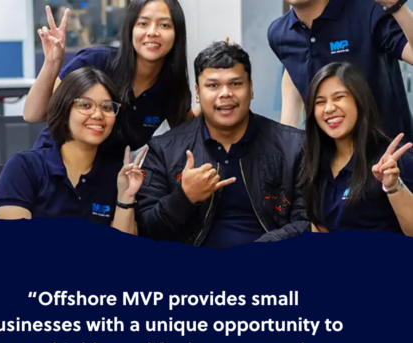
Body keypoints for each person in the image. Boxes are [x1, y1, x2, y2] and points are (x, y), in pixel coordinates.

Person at [136, 42, 309, 247]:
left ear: (251, 89)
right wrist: (183, 197)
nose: (225, 93)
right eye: (213, 85)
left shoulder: (293, 146)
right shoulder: (164, 149)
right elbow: (145, 228)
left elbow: (307, 221)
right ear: (198, 93)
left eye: (236, 84)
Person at [0, 67, 145, 235]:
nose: (98, 115)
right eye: (85, 105)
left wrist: (126, 197)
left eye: (107, 108)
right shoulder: (24, 167)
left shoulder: (117, 176)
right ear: (64, 110)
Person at [25, 0, 192, 152]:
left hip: (107, 181)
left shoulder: (171, 87)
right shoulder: (97, 61)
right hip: (52, 167)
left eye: (164, 25)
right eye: (143, 23)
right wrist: (52, 62)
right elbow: (33, 114)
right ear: (130, 29)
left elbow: (191, 128)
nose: (152, 32)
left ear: (177, 33)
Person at [268, 0, 413, 141]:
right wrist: (285, 141)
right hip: (330, 158)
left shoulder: (368, 10)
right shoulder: (279, 34)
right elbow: (294, 69)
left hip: (389, 154)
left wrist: (397, 6)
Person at [298, 62, 413, 235]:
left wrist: (393, 186)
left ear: (360, 101)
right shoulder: (315, 164)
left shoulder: (394, 161)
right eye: (320, 102)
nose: (329, 108)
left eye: (339, 97)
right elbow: (320, 227)